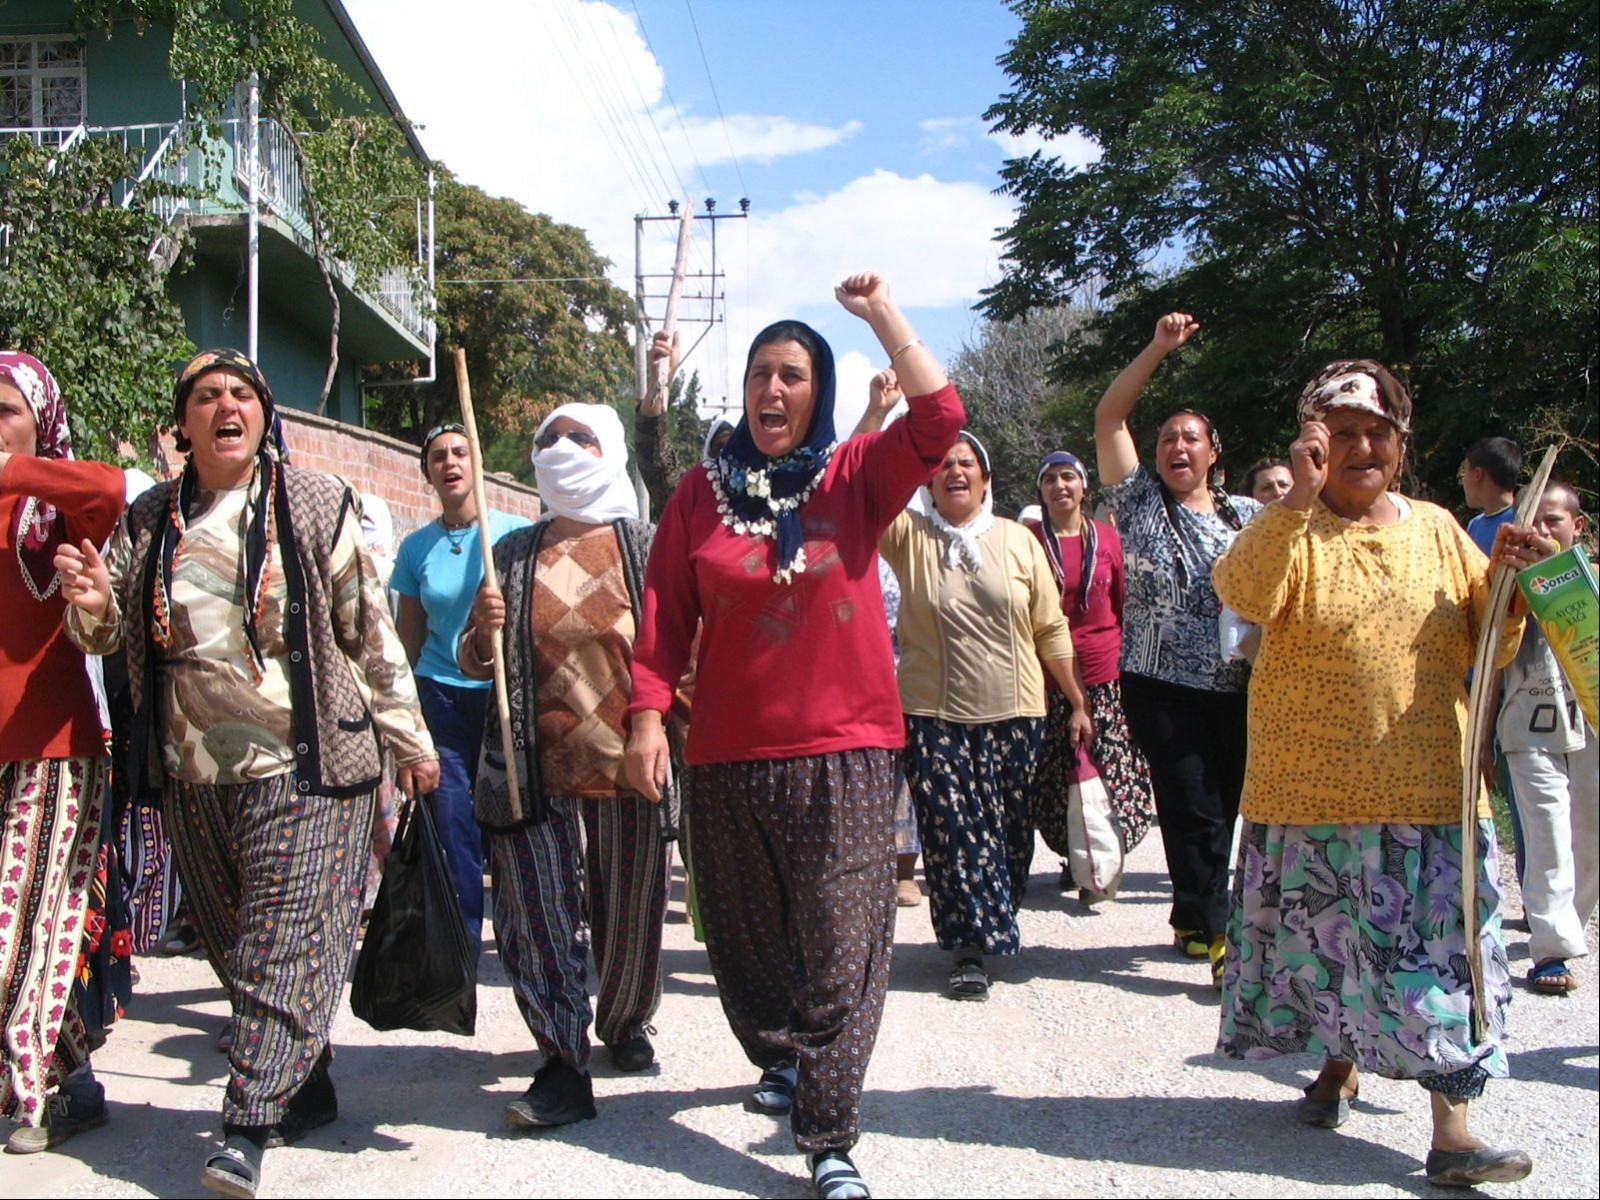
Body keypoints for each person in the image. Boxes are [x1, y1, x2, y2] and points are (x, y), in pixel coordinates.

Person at [58, 348, 439, 1198]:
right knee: (236, 948)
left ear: (264, 414)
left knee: (278, 944)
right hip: (192, 773)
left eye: (241, 393)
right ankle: (307, 1079)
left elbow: (368, 631)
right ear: (183, 422)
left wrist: (409, 742)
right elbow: (106, 633)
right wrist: (87, 603)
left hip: (308, 768)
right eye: (206, 396)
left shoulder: (311, 502)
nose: (226, 405)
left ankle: (243, 1126)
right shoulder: (152, 517)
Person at [625, 273, 963, 1200]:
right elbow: (662, 616)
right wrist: (647, 716)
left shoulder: (853, 477)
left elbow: (939, 418)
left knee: (842, 939)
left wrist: (885, 316)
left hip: (846, 753)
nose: (772, 392)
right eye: (759, 376)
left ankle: (829, 1135)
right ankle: (781, 1056)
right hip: (727, 759)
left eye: (792, 376)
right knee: (743, 941)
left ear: (817, 394)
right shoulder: (698, 497)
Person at [1213, 359, 1546, 1188]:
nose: (1362, 448)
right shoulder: (1287, 527)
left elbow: (1487, 646)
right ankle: (1337, 1066)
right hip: (1311, 795)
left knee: (1438, 963)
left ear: (1401, 443)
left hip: (1428, 793)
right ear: (1312, 443)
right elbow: (1243, 592)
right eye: (1341, 435)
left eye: (1377, 434)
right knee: (1330, 954)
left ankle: (1453, 1129)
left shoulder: (1438, 530)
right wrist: (1295, 499)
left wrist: (1510, 588)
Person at [459, 401, 674, 1128]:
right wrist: (482, 636)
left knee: (630, 912)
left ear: (608, 448)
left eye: (579, 437)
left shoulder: (643, 545)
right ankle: (560, 1058)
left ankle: (624, 1019)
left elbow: (680, 650)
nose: (561, 449)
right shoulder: (511, 552)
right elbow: (468, 657)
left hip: (628, 762)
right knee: (538, 914)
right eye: (548, 438)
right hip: (529, 767)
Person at [880, 432, 1087, 1000]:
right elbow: (864, 488)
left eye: (967, 463)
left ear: (987, 478)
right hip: (932, 716)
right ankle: (970, 946)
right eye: (943, 464)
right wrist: (879, 415)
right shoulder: (909, 536)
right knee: (952, 836)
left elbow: (1049, 625)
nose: (955, 472)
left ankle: (994, 915)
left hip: (1017, 714)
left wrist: (1075, 698)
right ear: (927, 481)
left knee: (1010, 837)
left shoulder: (1019, 541)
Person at [1094, 312, 1261, 983]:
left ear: (1214, 453)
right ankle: (1224, 941)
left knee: (1224, 802)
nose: (1176, 447)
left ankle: (1193, 913)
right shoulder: (1137, 502)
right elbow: (1110, 417)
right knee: (1194, 807)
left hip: (1235, 683)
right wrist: (1158, 348)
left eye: (1190, 438)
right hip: (1159, 684)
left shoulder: (1247, 516)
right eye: (1166, 438)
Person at [0, 351, 125, 1154]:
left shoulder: (56, 511)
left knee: (19, 930)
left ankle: (26, 1103)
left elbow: (110, 488)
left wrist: (16, 469)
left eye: (5, 410)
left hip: (50, 749)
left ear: (39, 424)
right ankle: (69, 1076)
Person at [392, 426, 531, 955]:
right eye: (437, 457)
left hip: (500, 695)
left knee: (512, 817)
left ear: (476, 461)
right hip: (439, 697)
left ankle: (524, 937)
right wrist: (401, 715)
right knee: (452, 819)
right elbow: (408, 639)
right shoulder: (416, 548)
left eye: (459, 452)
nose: (449, 463)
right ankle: (461, 943)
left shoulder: (514, 535)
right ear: (426, 472)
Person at [1024, 451, 1155, 901]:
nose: (1060, 486)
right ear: (1040, 490)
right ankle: (1075, 857)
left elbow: (1122, 606)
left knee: (1111, 766)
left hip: (1105, 672)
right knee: (1058, 771)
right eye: (1050, 480)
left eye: (1068, 477)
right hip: (1049, 674)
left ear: (1083, 487)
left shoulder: (1107, 539)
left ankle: (1107, 854)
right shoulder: (1029, 540)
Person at [1493, 481, 1596, 995]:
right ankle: (1552, 949)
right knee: (1547, 834)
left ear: (1577, 527)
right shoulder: (1507, 583)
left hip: (1591, 724)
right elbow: (1489, 658)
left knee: (1589, 837)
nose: (1543, 529)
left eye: (1554, 520)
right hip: (1528, 726)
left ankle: (1566, 923)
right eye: (1535, 520)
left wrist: (1559, 573)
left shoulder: (1593, 580)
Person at [853, 369, 921, 907]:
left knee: (901, 771)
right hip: (851, 662)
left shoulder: (921, 511)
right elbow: (843, 471)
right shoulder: (856, 503)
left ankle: (903, 867)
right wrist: (876, 410)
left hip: (907, 661)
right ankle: (859, 861)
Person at [1461, 436, 1521, 555]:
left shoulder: (1522, 520)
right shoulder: (1474, 525)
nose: (1463, 480)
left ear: (1477, 474)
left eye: (1465, 472)